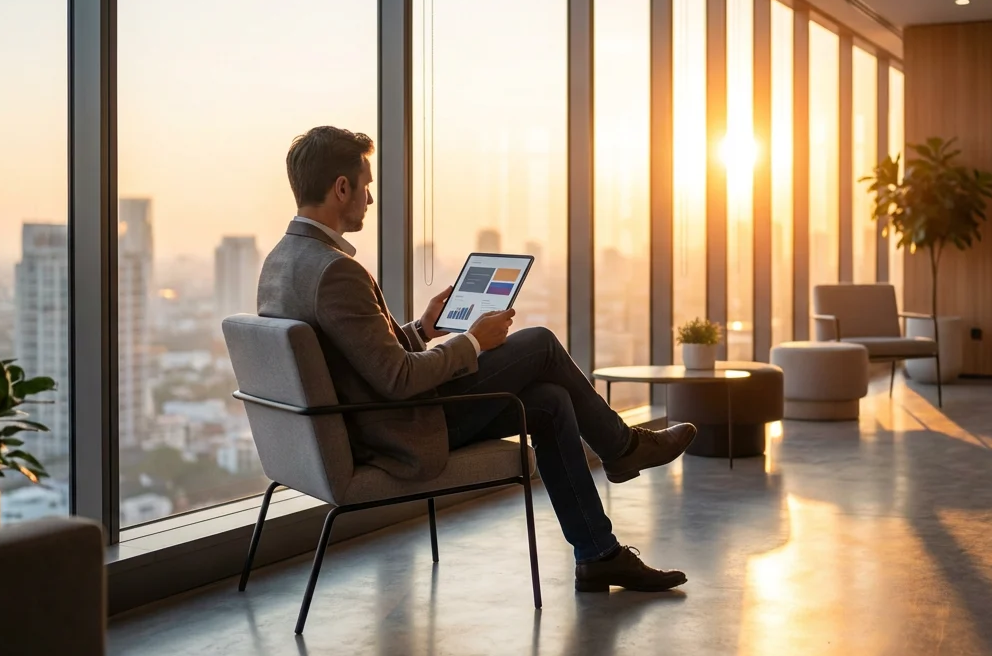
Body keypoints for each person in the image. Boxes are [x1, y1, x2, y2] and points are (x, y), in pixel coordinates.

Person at [258, 125, 697, 592]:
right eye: (366, 185)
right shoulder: (336, 272)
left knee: (549, 401)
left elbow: (357, 360)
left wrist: (422, 330)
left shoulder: (282, 262)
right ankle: (623, 449)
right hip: (398, 432)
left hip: (368, 422)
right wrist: (472, 341)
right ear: (341, 188)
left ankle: (599, 553)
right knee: (541, 343)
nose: (370, 198)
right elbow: (397, 379)